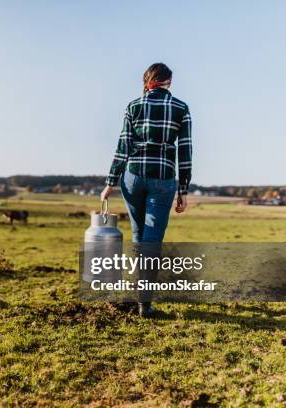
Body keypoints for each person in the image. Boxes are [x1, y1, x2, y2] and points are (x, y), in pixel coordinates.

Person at [100, 62, 192, 317]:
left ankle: (142, 297)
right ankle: (145, 304)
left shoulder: (134, 106)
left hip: (133, 177)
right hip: (163, 178)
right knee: (152, 240)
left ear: (147, 81)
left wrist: (110, 182)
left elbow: (122, 147)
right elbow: (185, 151)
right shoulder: (181, 108)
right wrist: (183, 190)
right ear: (169, 82)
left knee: (139, 236)